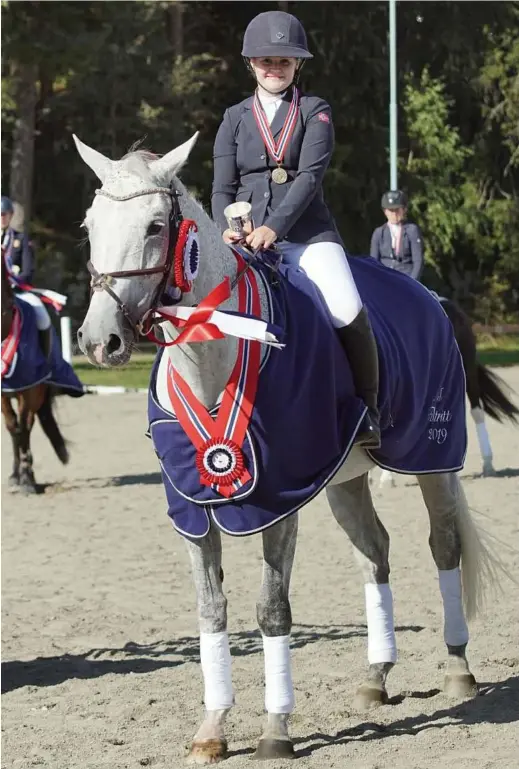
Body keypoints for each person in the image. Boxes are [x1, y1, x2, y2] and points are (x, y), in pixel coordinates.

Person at [211, 10, 380, 448]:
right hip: (245, 240)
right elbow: (221, 186)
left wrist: (274, 227)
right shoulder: (233, 118)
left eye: (284, 62)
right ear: (250, 62)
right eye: (266, 60)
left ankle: (367, 409)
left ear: (297, 66)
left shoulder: (314, 111)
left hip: (307, 236)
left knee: (345, 307)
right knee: (207, 308)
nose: (274, 68)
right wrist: (223, 227)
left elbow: (309, 177)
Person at [1, 195, 52, 356]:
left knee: (41, 314)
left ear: (10, 215)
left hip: (17, 290)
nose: (2, 218)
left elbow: (28, 270)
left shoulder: (21, 239)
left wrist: (15, 282)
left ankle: (46, 359)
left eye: (5, 214)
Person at [370, 190, 424, 281]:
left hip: (406, 278)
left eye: (397, 210)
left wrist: (412, 282)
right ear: (385, 211)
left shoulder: (412, 230)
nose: (394, 214)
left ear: (404, 210)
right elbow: (373, 262)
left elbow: (418, 261)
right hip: (385, 278)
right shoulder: (379, 233)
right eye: (391, 211)